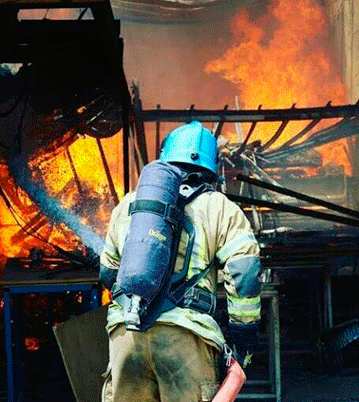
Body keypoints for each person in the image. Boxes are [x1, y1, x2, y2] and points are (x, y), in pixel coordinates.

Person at [99, 121, 262, 402]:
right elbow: (244, 275)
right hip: (186, 338)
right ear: (210, 167)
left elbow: (108, 272)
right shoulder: (221, 208)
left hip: (127, 336)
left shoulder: (128, 205)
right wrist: (242, 343)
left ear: (166, 156)